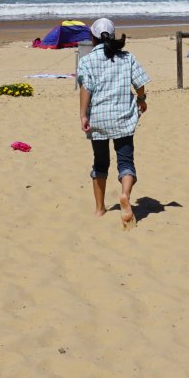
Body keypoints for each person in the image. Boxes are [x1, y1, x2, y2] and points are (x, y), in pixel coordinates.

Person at [76, 17, 149, 228]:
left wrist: (83, 115)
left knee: (100, 162)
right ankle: (125, 194)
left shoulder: (87, 61)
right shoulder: (127, 58)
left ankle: (99, 209)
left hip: (98, 118)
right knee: (126, 161)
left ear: (92, 38)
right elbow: (140, 83)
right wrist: (142, 100)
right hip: (123, 117)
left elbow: (85, 89)